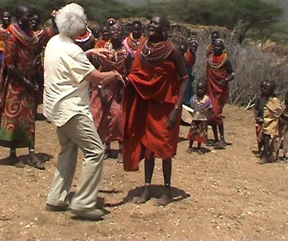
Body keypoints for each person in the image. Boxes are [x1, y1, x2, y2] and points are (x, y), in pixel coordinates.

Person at [43, 3, 125, 220]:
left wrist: (89, 51)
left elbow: (71, 57)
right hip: (72, 109)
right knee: (95, 151)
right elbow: (96, 78)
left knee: (68, 150)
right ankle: (84, 202)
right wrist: (115, 74)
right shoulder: (73, 51)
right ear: (78, 28)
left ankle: (56, 197)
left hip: (55, 107)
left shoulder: (54, 42)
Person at [122, 15, 189, 206]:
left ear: (165, 29)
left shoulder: (173, 51)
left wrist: (177, 108)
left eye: (155, 24)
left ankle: (167, 191)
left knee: (165, 150)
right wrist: (127, 81)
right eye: (150, 22)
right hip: (147, 104)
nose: (151, 25)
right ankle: (147, 188)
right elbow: (137, 73)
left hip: (167, 106)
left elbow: (184, 79)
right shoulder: (143, 47)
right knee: (149, 150)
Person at [0, 5, 44, 170]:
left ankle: (31, 152)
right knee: (13, 118)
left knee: (29, 119)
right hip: (14, 84)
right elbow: (9, 65)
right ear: (20, 18)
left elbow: (35, 60)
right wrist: (26, 82)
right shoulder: (13, 37)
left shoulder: (32, 37)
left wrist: (35, 78)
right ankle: (13, 153)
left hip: (28, 83)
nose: (30, 19)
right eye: (28, 16)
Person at [90, 22, 131, 162]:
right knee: (103, 117)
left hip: (119, 87)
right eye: (113, 30)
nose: (115, 32)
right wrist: (100, 88)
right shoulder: (102, 50)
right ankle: (106, 148)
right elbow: (95, 70)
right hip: (103, 85)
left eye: (119, 30)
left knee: (118, 116)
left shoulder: (126, 53)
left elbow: (129, 73)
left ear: (123, 34)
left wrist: (122, 88)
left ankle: (121, 149)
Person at [206, 38, 235, 149]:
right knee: (211, 115)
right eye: (215, 46)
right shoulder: (210, 59)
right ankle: (216, 138)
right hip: (211, 89)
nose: (216, 48)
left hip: (220, 90)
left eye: (218, 46)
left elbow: (232, 74)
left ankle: (222, 138)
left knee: (217, 114)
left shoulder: (225, 59)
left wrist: (225, 80)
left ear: (222, 48)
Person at [260, 80, 282, 164]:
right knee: (265, 139)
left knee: (267, 139)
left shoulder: (274, 101)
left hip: (272, 124)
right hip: (266, 123)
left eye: (267, 88)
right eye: (263, 88)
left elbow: (278, 112)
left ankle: (266, 156)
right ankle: (269, 155)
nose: (264, 90)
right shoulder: (266, 99)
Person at [187, 80, 212, 154]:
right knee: (192, 133)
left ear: (205, 90)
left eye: (201, 89)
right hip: (195, 119)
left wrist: (209, 118)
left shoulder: (207, 100)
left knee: (200, 135)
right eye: (198, 88)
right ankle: (190, 147)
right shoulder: (193, 99)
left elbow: (210, 109)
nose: (199, 90)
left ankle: (198, 147)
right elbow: (191, 107)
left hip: (202, 120)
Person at [253, 80, 268, 155]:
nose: (263, 89)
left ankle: (265, 150)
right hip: (259, 120)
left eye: (265, 88)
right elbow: (255, 109)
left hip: (266, 121)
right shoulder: (259, 98)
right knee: (258, 135)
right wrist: (256, 118)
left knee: (264, 136)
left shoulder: (269, 99)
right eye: (262, 87)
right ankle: (259, 149)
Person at [183, 37, 198, 105]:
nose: (194, 48)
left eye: (195, 47)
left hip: (189, 72)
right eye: (192, 46)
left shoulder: (193, 56)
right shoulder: (186, 55)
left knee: (189, 88)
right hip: (185, 72)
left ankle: (189, 101)